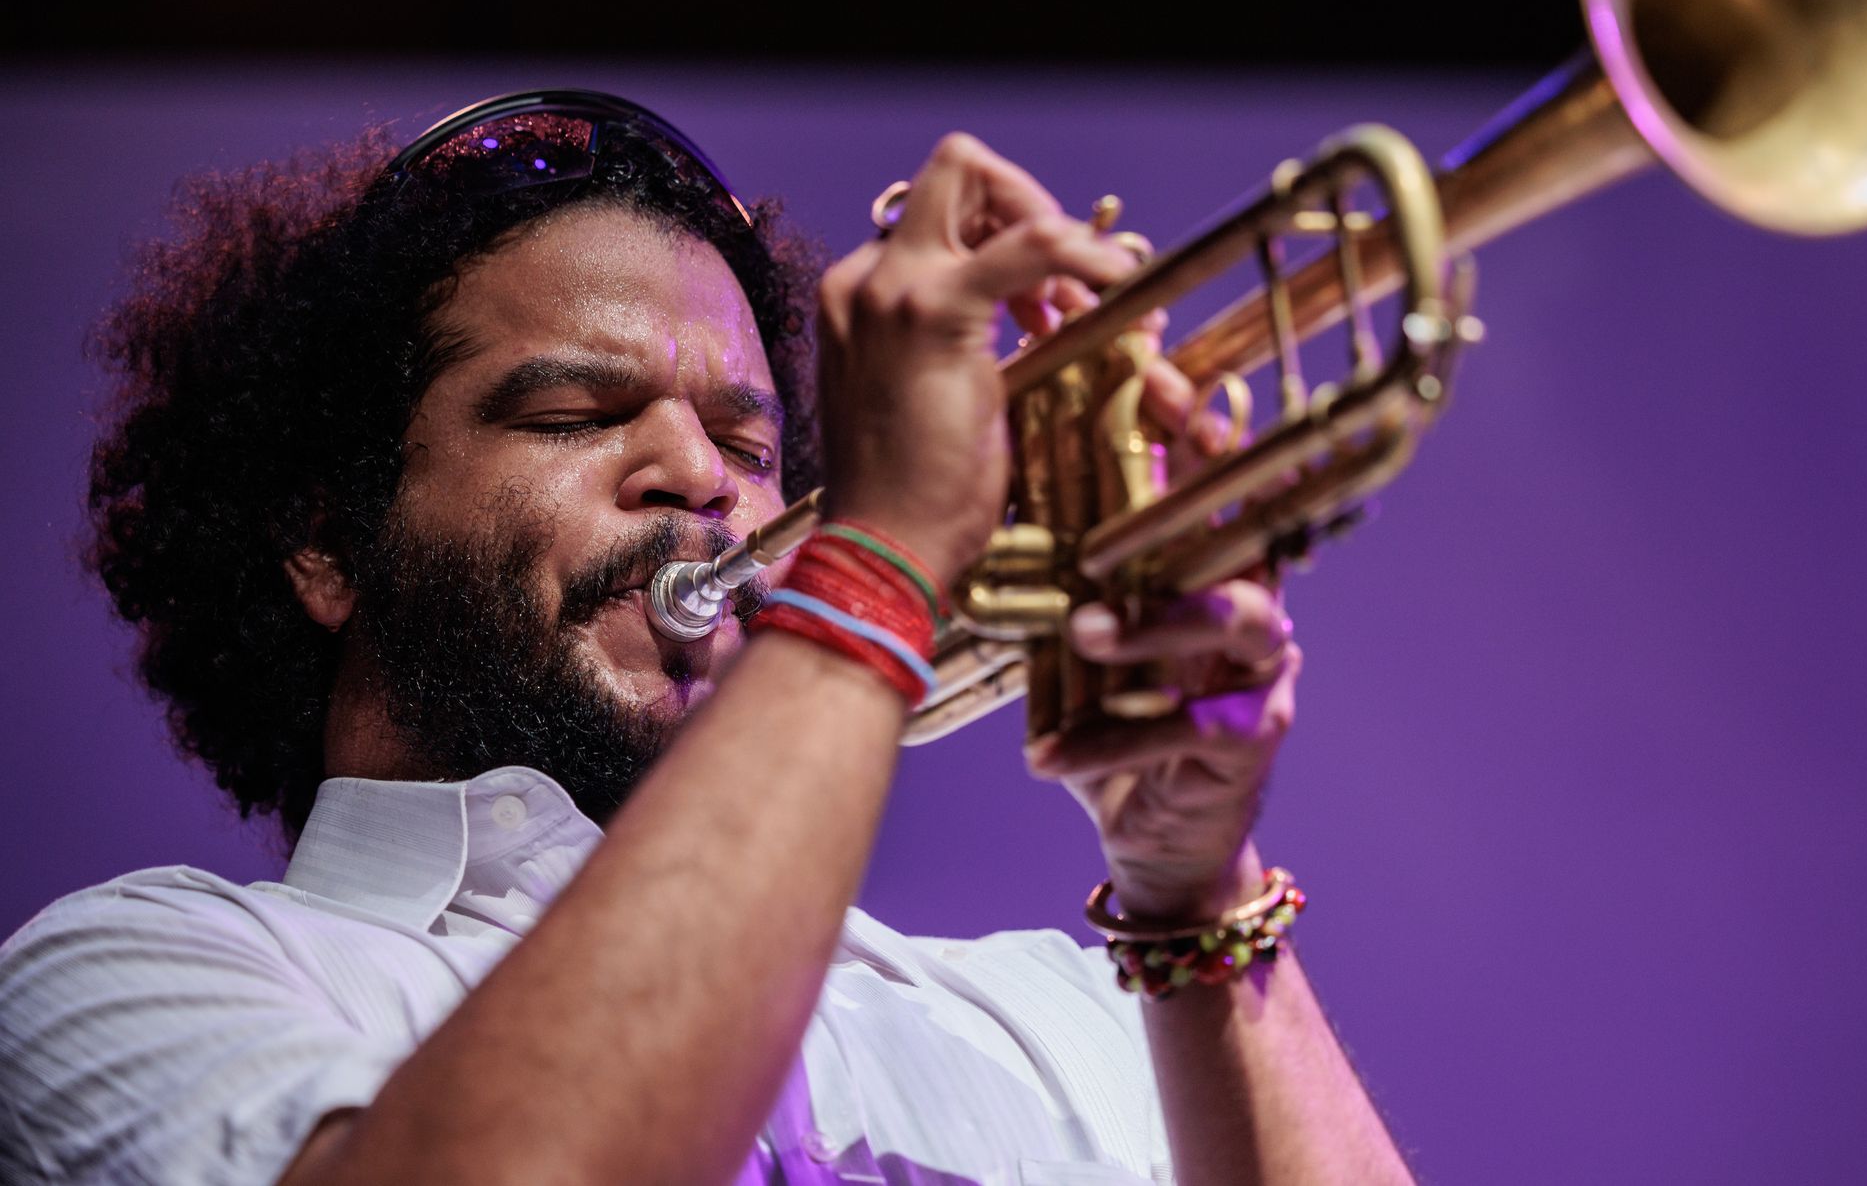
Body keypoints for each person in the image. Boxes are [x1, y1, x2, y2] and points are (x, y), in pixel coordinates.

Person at [0, 90, 1413, 1184]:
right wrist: (873, 570)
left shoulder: (1055, 1011)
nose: (700, 471)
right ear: (324, 539)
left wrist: (1193, 893)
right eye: (572, 415)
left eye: (751, 436)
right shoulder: (133, 978)